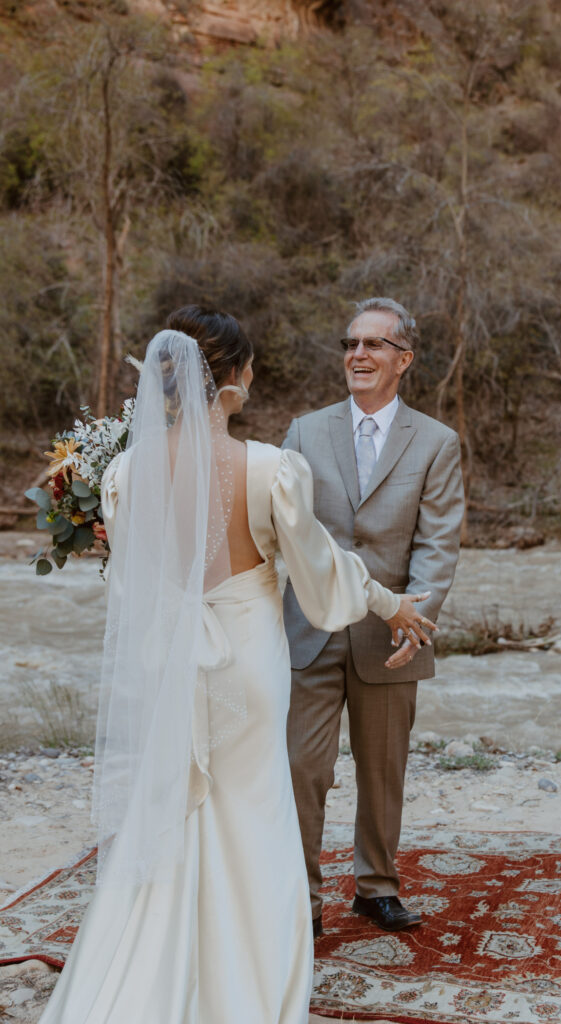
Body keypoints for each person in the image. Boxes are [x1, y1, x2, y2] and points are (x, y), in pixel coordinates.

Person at [38, 306, 434, 1024]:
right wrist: (391, 605)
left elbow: (131, 587)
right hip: (247, 663)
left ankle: (149, 971)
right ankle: (244, 981)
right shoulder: (269, 469)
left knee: (172, 809)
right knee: (250, 814)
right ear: (236, 378)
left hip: (168, 660)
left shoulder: (124, 473)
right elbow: (322, 577)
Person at [284, 297, 464, 937]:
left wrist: (414, 616)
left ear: (404, 359)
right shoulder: (304, 431)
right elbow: (287, 528)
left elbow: (439, 543)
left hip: (393, 633)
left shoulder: (438, 441)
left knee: (383, 769)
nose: (357, 354)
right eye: (350, 343)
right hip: (308, 627)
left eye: (374, 345)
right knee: (302, 767)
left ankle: (375, 886)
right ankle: (300, 895)